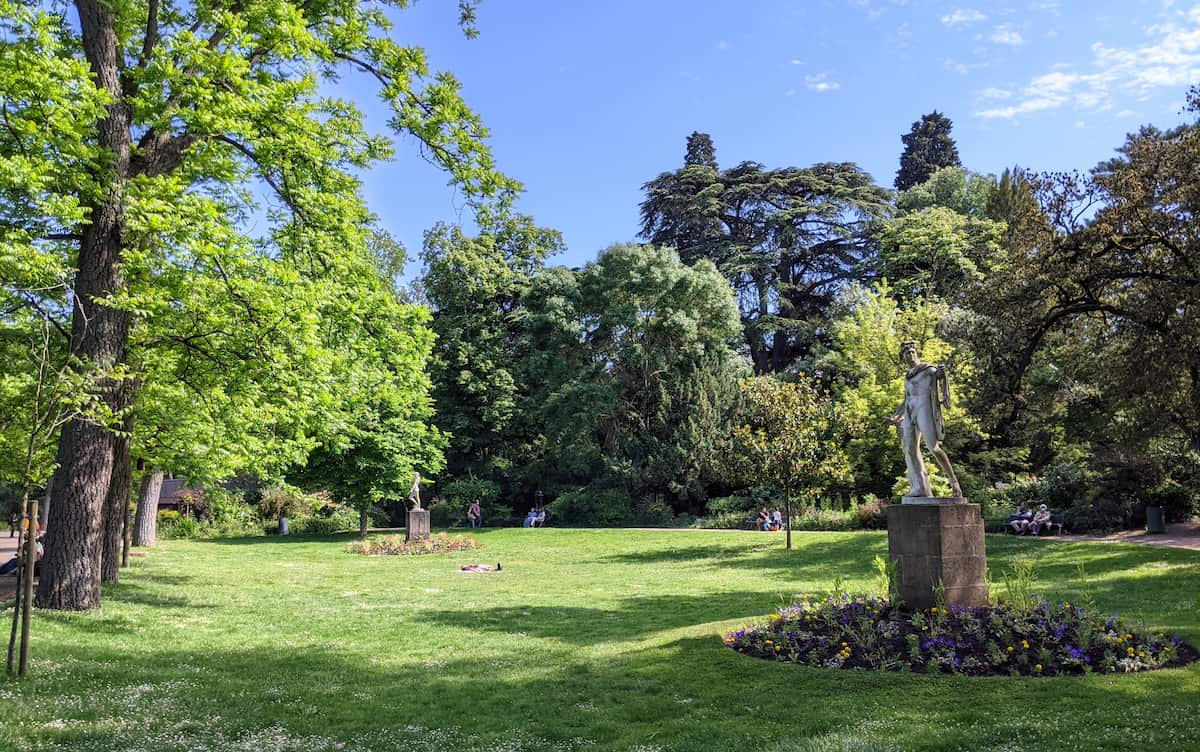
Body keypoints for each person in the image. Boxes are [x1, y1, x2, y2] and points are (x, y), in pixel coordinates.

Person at [888, 342, 963, 498]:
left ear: (917, 353)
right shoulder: (907, 376)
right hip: (909, 412)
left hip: (924, 408)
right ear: (903, 357)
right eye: (906, 353)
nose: (910, 354)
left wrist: (942, 375)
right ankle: (920, 487)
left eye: (912, 351)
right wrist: (896, 416)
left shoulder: (928, 370)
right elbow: (906, 399)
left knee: (933, 448)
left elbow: (940, 378)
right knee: (909, 449)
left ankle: (954, 481)